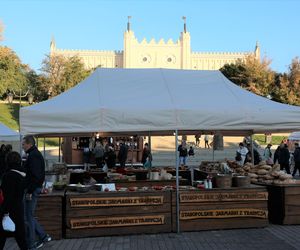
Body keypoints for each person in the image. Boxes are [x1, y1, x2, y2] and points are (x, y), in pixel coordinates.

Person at [22, 135, 51, 249]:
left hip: (32, 189)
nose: (23, 146)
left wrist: (29, 190)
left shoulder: (33, 156)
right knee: (29, 215)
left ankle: (32, 243)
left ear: (29, 144)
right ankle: (43, 236)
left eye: (24, 144)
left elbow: (36, 176)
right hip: (33, 188)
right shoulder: (33, 154)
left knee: (28, 216)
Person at [0, 151, 27, 250]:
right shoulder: (23, 174)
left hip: (8, 211)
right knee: (21, 239)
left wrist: (3, 211)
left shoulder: (8, 176)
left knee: (2, 236)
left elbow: (7, 196)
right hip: (18, 208)